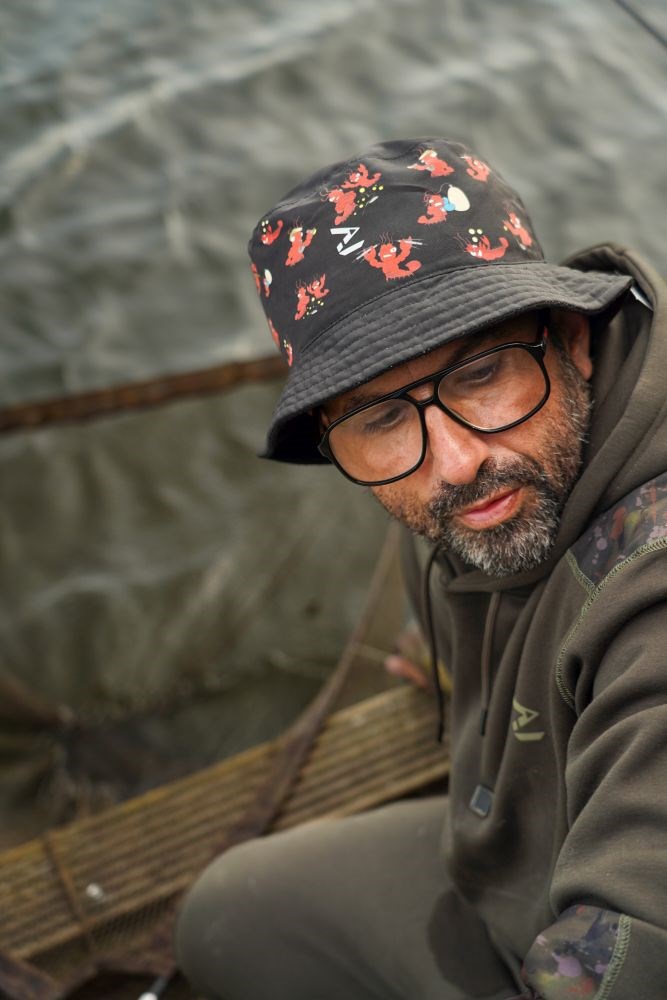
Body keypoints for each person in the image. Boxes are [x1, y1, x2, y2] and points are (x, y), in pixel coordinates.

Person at [175, 138, 667, 999]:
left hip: (569, 922)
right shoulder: (496, 478)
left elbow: (636, 945)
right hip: (511, 857)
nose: (454, 462)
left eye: (480, 374)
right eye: (380, 418)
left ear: (571, 339)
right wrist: (445, 648)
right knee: (229, 914)